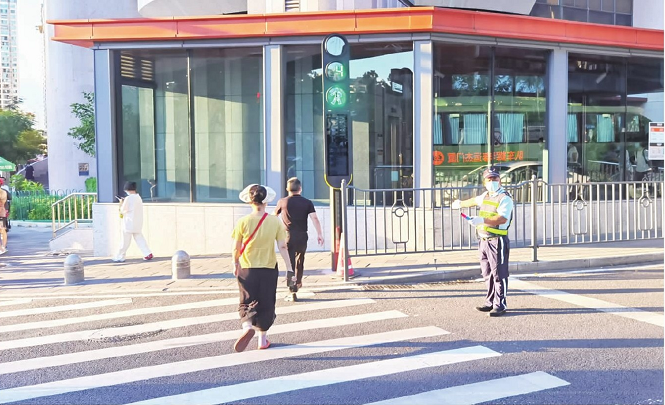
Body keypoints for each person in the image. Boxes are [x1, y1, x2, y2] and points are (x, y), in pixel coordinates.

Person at [231, 184, 295, 352]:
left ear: (250, 202)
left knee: (246, 299)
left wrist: (234, 263)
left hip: (246, 267)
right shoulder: (275, 221)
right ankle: (262, 340)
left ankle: (247, 327)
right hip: (268, 268)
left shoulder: (243, 222)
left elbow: (236, 247)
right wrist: (290, 268)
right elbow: (283, 247)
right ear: (266, 201)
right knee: (267, 302)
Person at [451, 166, 514, 317]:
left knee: (499, 274)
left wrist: (482, 220)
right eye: (489, 179)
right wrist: (460, 203)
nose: (492, 181)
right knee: (487, 274)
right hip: (484, 240)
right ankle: (490, 302)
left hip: (497, 240)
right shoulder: (486, 195)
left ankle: (500, 305)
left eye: (495, 179)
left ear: (500, 180)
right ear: (484, 181)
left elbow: (502, 218)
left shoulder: (504, 197)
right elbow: (473, 201)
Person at [273, 177, 324, 292]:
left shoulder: (282, 202)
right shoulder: (307, 202)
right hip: (302, 235)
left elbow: (273, 217)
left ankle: (292, 285)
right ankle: (299, 281)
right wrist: (319, 234)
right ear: (300, 189)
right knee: (300, 260)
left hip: (288, 235)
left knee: (290, 261)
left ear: (287, 189)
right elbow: (314, 218)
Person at [112, 181, 153, 262]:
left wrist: (121, 202)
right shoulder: (138, 197)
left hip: (128, 223)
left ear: (127, 189)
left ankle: (120, 256)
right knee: (140, 239)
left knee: (125, 241)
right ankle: (147, 253)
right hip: (137, 223)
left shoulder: (128, 198)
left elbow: (123, 210)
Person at [0, 184, 7, 255]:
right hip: (2, 213)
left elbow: (3, 202)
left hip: (1, 213)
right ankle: (1, 248)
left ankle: (3, 247)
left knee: (2, 230)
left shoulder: (3, 192)